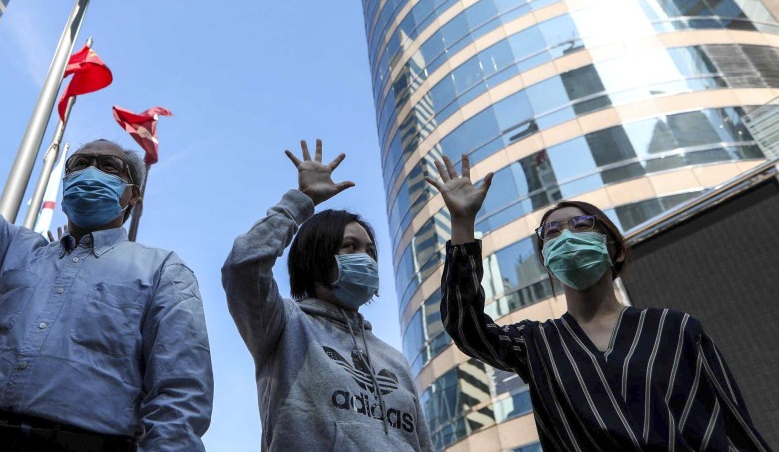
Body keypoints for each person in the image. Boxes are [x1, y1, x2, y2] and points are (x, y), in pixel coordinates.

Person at [0, 0, 213, 452]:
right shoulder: (10, 250)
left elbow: (180, 395)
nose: (91, 172)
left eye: (109, 167)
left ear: (133, 196)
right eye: (79, 164)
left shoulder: (162, 271)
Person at [429, 153, 772, 452]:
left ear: (616, 248)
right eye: (552, 232)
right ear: (547, 259)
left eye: (581, 225)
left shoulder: (676, 328)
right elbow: (467, 327)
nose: (566, 235)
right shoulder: (535, 343)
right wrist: (462, 223)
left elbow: (735, 425)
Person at [222, 139, 434, 451]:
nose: (366, 259)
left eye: (371, 252)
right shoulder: (283, 326)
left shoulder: (395, 360)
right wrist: (300, 202)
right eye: (351, 247)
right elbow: (243, 265)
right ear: (317, 255)